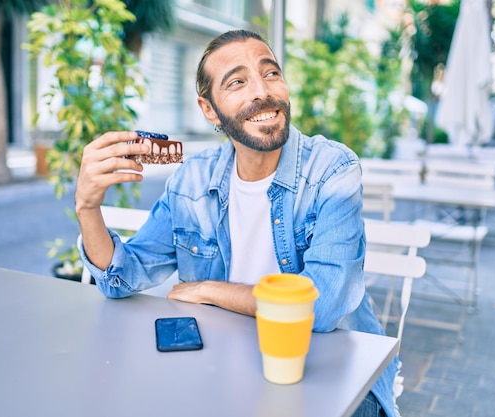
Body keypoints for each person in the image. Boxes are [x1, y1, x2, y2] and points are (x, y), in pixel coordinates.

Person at [75, 29, 399, 417]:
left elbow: (322, 305)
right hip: (227, 366)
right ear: (209, 109)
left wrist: (209, 290)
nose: (262, 91)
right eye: (237, 82)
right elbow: (122, 277)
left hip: (338, 377)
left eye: (271, 73)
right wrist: (88, 208)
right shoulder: (193, 180)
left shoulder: (332, 169)